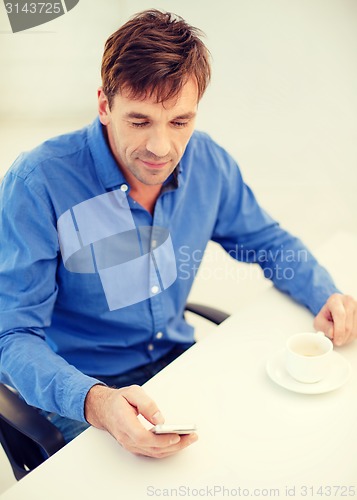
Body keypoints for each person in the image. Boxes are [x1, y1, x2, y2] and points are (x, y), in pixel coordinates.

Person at [0, 9, 356, 459]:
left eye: (180, 122)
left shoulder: (208, 163)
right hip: (82, 390)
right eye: (140, 120)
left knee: (274, 449)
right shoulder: (37, 184)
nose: (160, 148)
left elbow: (267, 241)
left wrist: (324, 292)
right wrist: (99, 402)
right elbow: (12, 336)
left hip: (177, 365)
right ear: (105, 105)